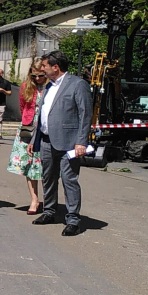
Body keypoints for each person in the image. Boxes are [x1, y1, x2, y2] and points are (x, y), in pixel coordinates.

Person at [29, 50, 93, 236]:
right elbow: (42, 114)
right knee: (48, 178)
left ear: (55, 67)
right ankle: (49, 211)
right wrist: (35, 138)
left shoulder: (77, 85)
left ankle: (73, 219)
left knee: (69, 180)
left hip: (69, 143)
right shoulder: (49, 86)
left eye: (44, 66)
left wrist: (81, 141)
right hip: (47, 140)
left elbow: (85, 114)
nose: (42, 69)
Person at [8, 62, 46, 214]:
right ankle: (34, 199)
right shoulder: (26, 86)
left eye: (41, 75)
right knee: (29, 167)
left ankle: (48, 200)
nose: (37, 78)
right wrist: (29, 119)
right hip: (28, 128)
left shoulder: (51, 87)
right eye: (34, 75)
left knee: (44, 167)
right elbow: (23, 106)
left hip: (45, 129)